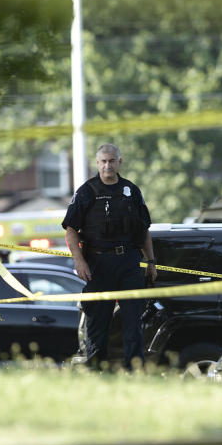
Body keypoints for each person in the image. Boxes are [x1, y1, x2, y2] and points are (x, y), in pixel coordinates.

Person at [63, 143, 157, 369]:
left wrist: (151, 261)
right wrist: (79, 260)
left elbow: (143, 230)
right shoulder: (87, 191)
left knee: (133, 322)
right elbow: (70, 229)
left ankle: (134, 370)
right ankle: (96, 371)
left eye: (112, 161)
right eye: (103, 161)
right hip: (98, 263)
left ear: (119, 162)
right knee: (98, 321)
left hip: (129, 262)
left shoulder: (131, 191)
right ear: (97, 163)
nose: (107, 165)